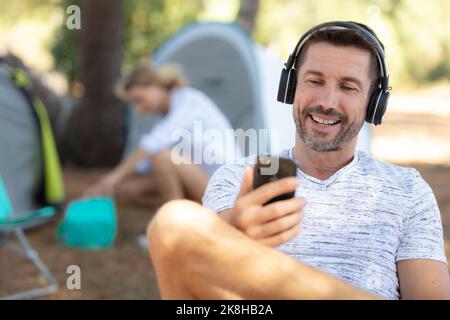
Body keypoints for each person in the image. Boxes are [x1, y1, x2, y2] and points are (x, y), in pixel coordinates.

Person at [146, 21, 450, 299]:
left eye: (348, 87)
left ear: (374, 103)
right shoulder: (239, 176)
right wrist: (232, 230)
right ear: (290, 88)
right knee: (172, 224)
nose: (327, 102)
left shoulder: (408, 190)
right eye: (314, 81)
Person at [85, 63, 238, 205]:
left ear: (154, 84)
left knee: (163, 159)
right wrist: (112, 183)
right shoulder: (164, 116)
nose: (140, 107)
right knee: (130, 188)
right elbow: (143, 165)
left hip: (226, 190)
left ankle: (177, 224)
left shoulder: (188, 101)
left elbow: (151, 146)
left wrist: (113, 178)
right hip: (202, 181)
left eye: (140, 99)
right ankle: (183, 215)